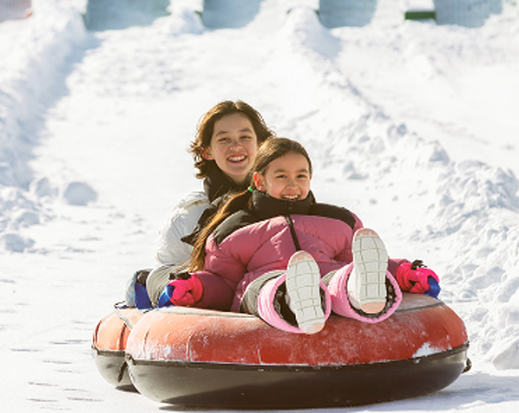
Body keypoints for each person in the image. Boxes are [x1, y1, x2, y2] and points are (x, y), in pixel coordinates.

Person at [157, 137, 440, 334]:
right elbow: (225, 283)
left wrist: (403, 272)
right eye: (281, 176)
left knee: (342, 276)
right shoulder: (235, 229)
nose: (293, 184)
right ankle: (295, 298)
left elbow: (358, 259)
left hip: (326, 281)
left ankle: (361, 291)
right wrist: (197, 287)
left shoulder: (338, 219)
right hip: (264, 285)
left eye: (301, 176)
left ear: (310, 179)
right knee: (266, 286)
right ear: (259, 181)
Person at [125, 100, 274, 307]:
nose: (236, 146)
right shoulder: (192, 214)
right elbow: (167, 273)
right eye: (224, 139)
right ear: (207, 151)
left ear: (260, 144)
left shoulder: (283, 202)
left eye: (245, 137)